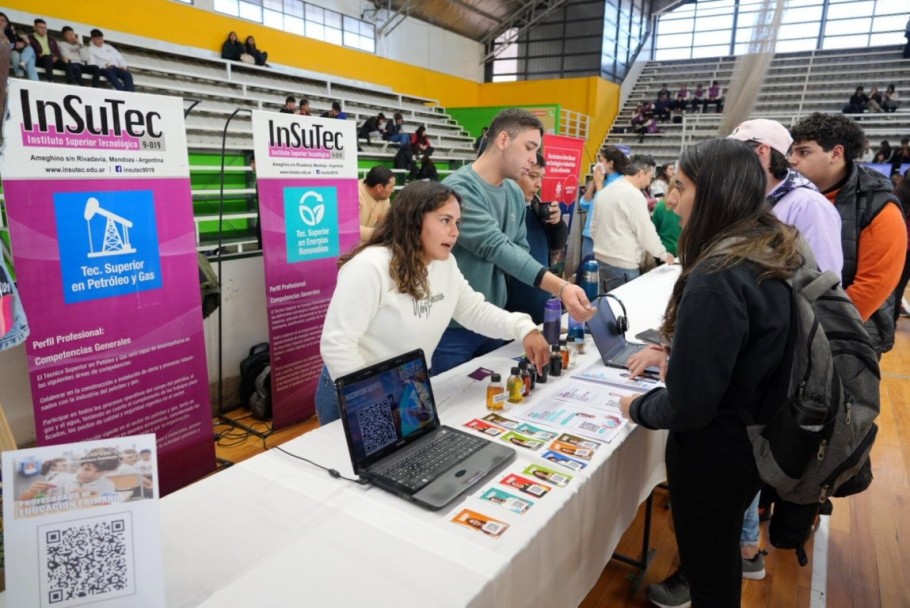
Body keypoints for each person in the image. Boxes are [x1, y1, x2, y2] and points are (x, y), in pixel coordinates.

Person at [618, 137, 802, 607]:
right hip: (750, 438)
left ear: (714, 192)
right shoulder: (762, 249)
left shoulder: (718, 273)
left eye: (680, 186)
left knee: (710, 566)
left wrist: (636, 406)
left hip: (716, 451)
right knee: (715, 559)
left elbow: (689, 404)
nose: (671, 199)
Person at [316, 181, 551, 424]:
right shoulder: (370, 267)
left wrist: (523, 328)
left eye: (457, 223)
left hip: (409, 387)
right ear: (414, 219)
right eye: (445, 220)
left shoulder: (445, 264)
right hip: (355, 389)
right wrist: (371, 401)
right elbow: (338, 344)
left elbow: (474, 310)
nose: (455, 232)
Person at [435, 109, 595, 374]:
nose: (533, 160)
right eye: (529, 148)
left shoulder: (511, 190)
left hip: (496, 321)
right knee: (447, 405)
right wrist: (561, 286)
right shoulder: (459, 189)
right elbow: (496, 246)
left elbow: (520, 248)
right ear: (503, 140)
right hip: (455, 329)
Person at [790, 112, 907, 354]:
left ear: (836, 153)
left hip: (852, 336)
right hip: (801, 327)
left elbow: (874, 284)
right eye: (792, 152)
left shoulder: (879, 206)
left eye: (803, 152)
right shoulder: (798, 197)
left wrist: (823, 327)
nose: (792, 160)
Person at [728, 118, 844, 274]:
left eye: (734, 154)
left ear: (762, 151)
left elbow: (825, 277)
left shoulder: (809, 205)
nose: (727, 162)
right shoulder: (749, 199)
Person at [591, 154, 674, 292]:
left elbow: (594, 227)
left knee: (607, 306)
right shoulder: (634, 195)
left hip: (602, 260)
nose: (649, 182)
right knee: (624, 310)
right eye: (649, 177)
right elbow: (645, 232)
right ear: (641, 173)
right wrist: (663, 255)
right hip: (623, 265)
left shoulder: (606, 191)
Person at [505, 153, 569, 324]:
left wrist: (556, 223)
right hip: (514, 302)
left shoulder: (535, 206)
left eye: (541, 177)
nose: (538, 184)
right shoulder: (504, 210)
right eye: (533, 176)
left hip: (539, 294)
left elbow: (558, 245)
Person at [578, 146, 628, 261]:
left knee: (603, 274)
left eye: (601, 161)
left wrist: (599, 184)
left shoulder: (621, 182)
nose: (597, 164)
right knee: (586, 271)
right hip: (589, 235)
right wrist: (594, 183)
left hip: (606, 238)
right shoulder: (602, 179)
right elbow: (584, 204)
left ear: (610, 163)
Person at [18, 448, 121, 500]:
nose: (89, 475)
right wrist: (32, 492)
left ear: (108, 472)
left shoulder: (107, 485)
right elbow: (23, 499)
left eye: (99, 472)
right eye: (86, 469)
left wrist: (91, 498)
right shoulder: (61, 479)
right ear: (81, 464)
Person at [358, 166, 395, 242]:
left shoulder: (384, 198)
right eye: (391, 187)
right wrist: (383, 233)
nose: (393, 190)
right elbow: (353, 231)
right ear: (379, 187)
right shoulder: (355, 195)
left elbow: (387, 223)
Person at [892, 171, 910, 325]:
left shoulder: (898, 196)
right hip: (904, 246)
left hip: (902, 246)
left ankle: (892, 318)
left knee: (897, 286)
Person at [651, 183, 682, 257]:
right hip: (682, 250)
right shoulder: (687, 206)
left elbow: (654, 230)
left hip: (664, 251)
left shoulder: (660, 206)